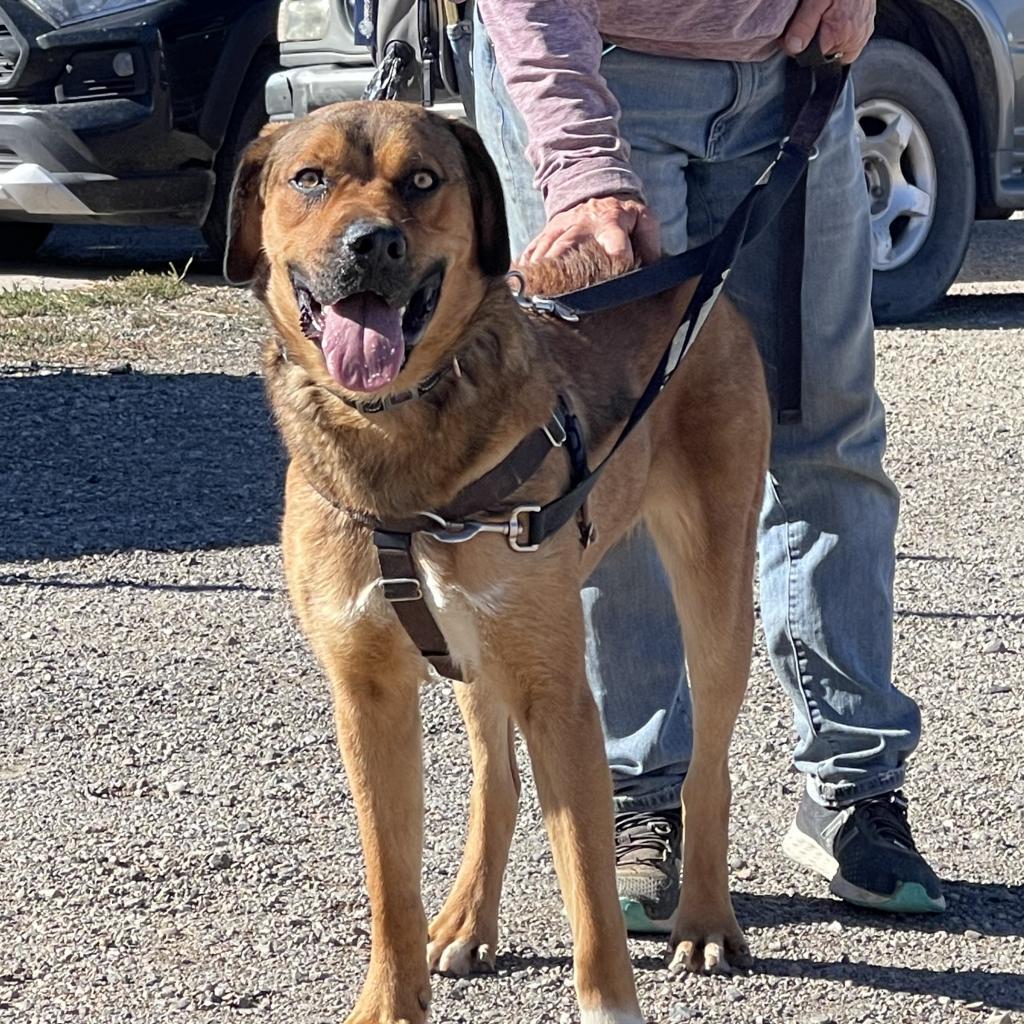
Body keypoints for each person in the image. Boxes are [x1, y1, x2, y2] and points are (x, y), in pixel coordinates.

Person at [471, 0, 945, 931]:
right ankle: (640, 797)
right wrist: (580, 162)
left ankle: (852, 790)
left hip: (796, 74)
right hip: (598, 80)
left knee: (828, 432)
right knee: (610, 459)